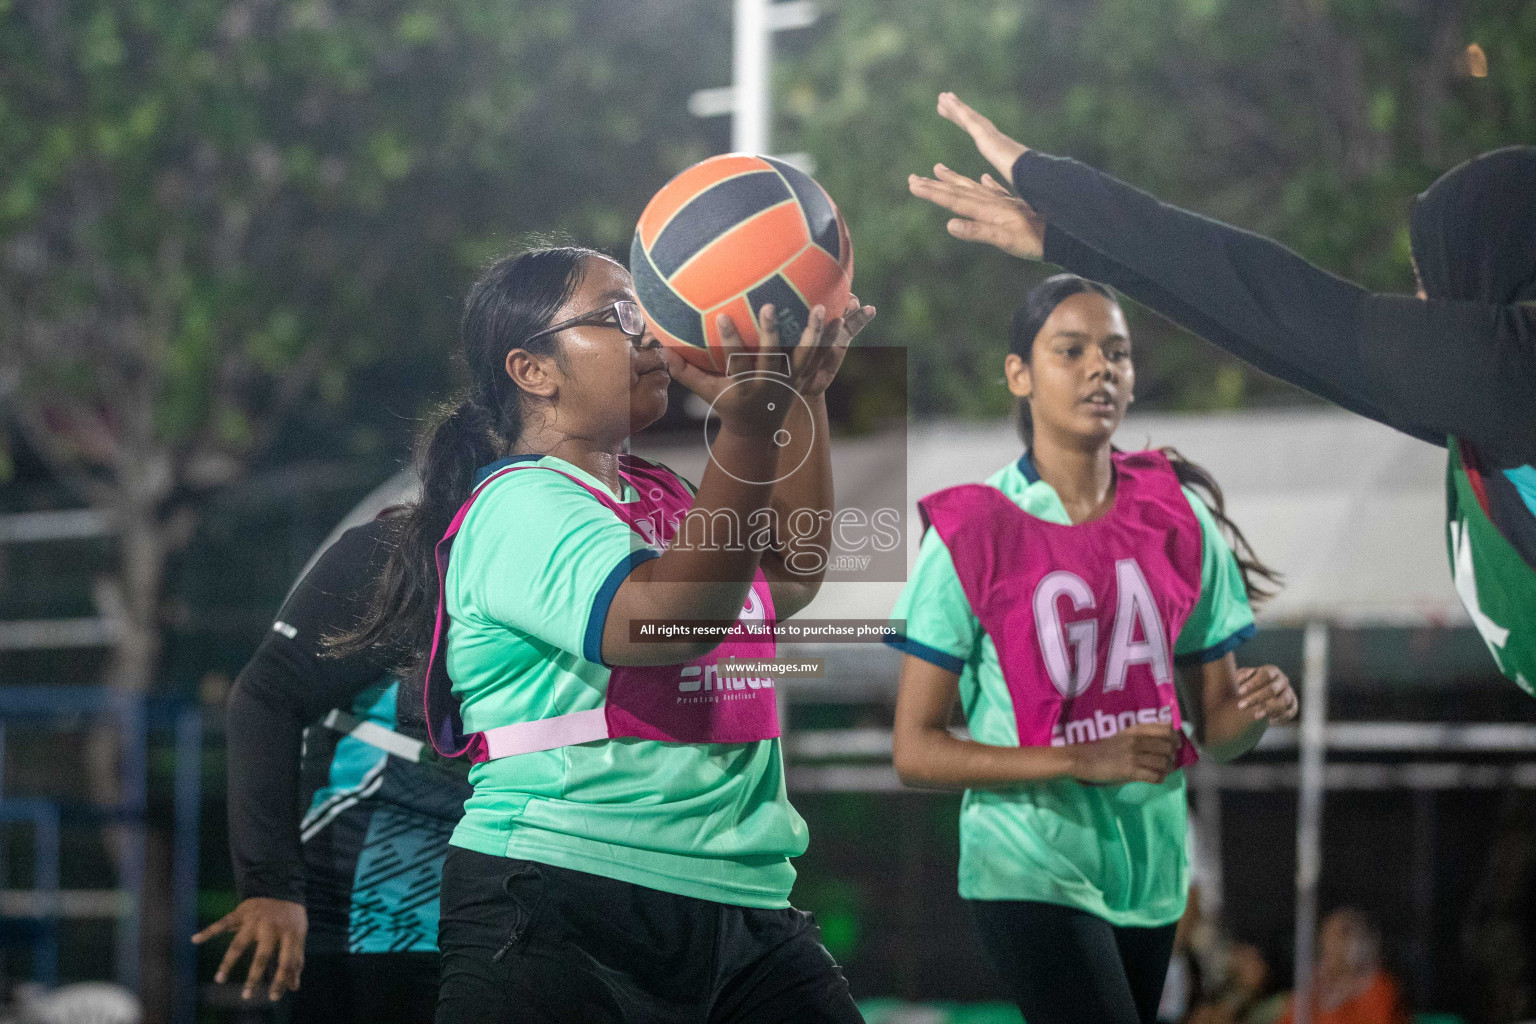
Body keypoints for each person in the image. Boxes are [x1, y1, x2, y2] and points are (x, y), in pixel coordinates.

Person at [329, 244, 875, 1023]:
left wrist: (801, 401)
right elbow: (667, 619)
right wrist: (750, 422)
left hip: (743, 902)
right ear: (533, 370)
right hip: (565, 902)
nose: (651, 333)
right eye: (620, 316)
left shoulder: (662, 496)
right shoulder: (519, 507)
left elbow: (788, 574)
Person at [909, 93, 1536, 696]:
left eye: (1432, 284)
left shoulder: (1514, 370)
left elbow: (1269, 297)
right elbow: (1268, 330)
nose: (1422, 307)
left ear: (1494, 268)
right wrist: (1061, 240)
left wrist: (1042, 176)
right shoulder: (1495, 396)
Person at [888, 273, 1299, 1024]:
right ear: (1019, 374)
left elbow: (1218, 732)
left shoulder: (1179, 519)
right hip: (1028, 864)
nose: (1100, 369)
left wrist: (1259, 712)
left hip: (1150, 872)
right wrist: (1080, 759)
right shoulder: (973, 532)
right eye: (1070, 351)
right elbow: (914, 751)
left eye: (1117, 353)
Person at [192, 518, 472, 1022]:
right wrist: (269, 883)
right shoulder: (405, 551)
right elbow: (264, 697)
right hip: (379, 918)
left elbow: (657, 638)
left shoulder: (621, 539)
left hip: (520, 910)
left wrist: (666, 591)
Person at [1278, 909, 1408, 1024]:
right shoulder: (1313, 988)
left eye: (1345, 934)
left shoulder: (1381, 989)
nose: (1335, 944)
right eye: (1329, 935)